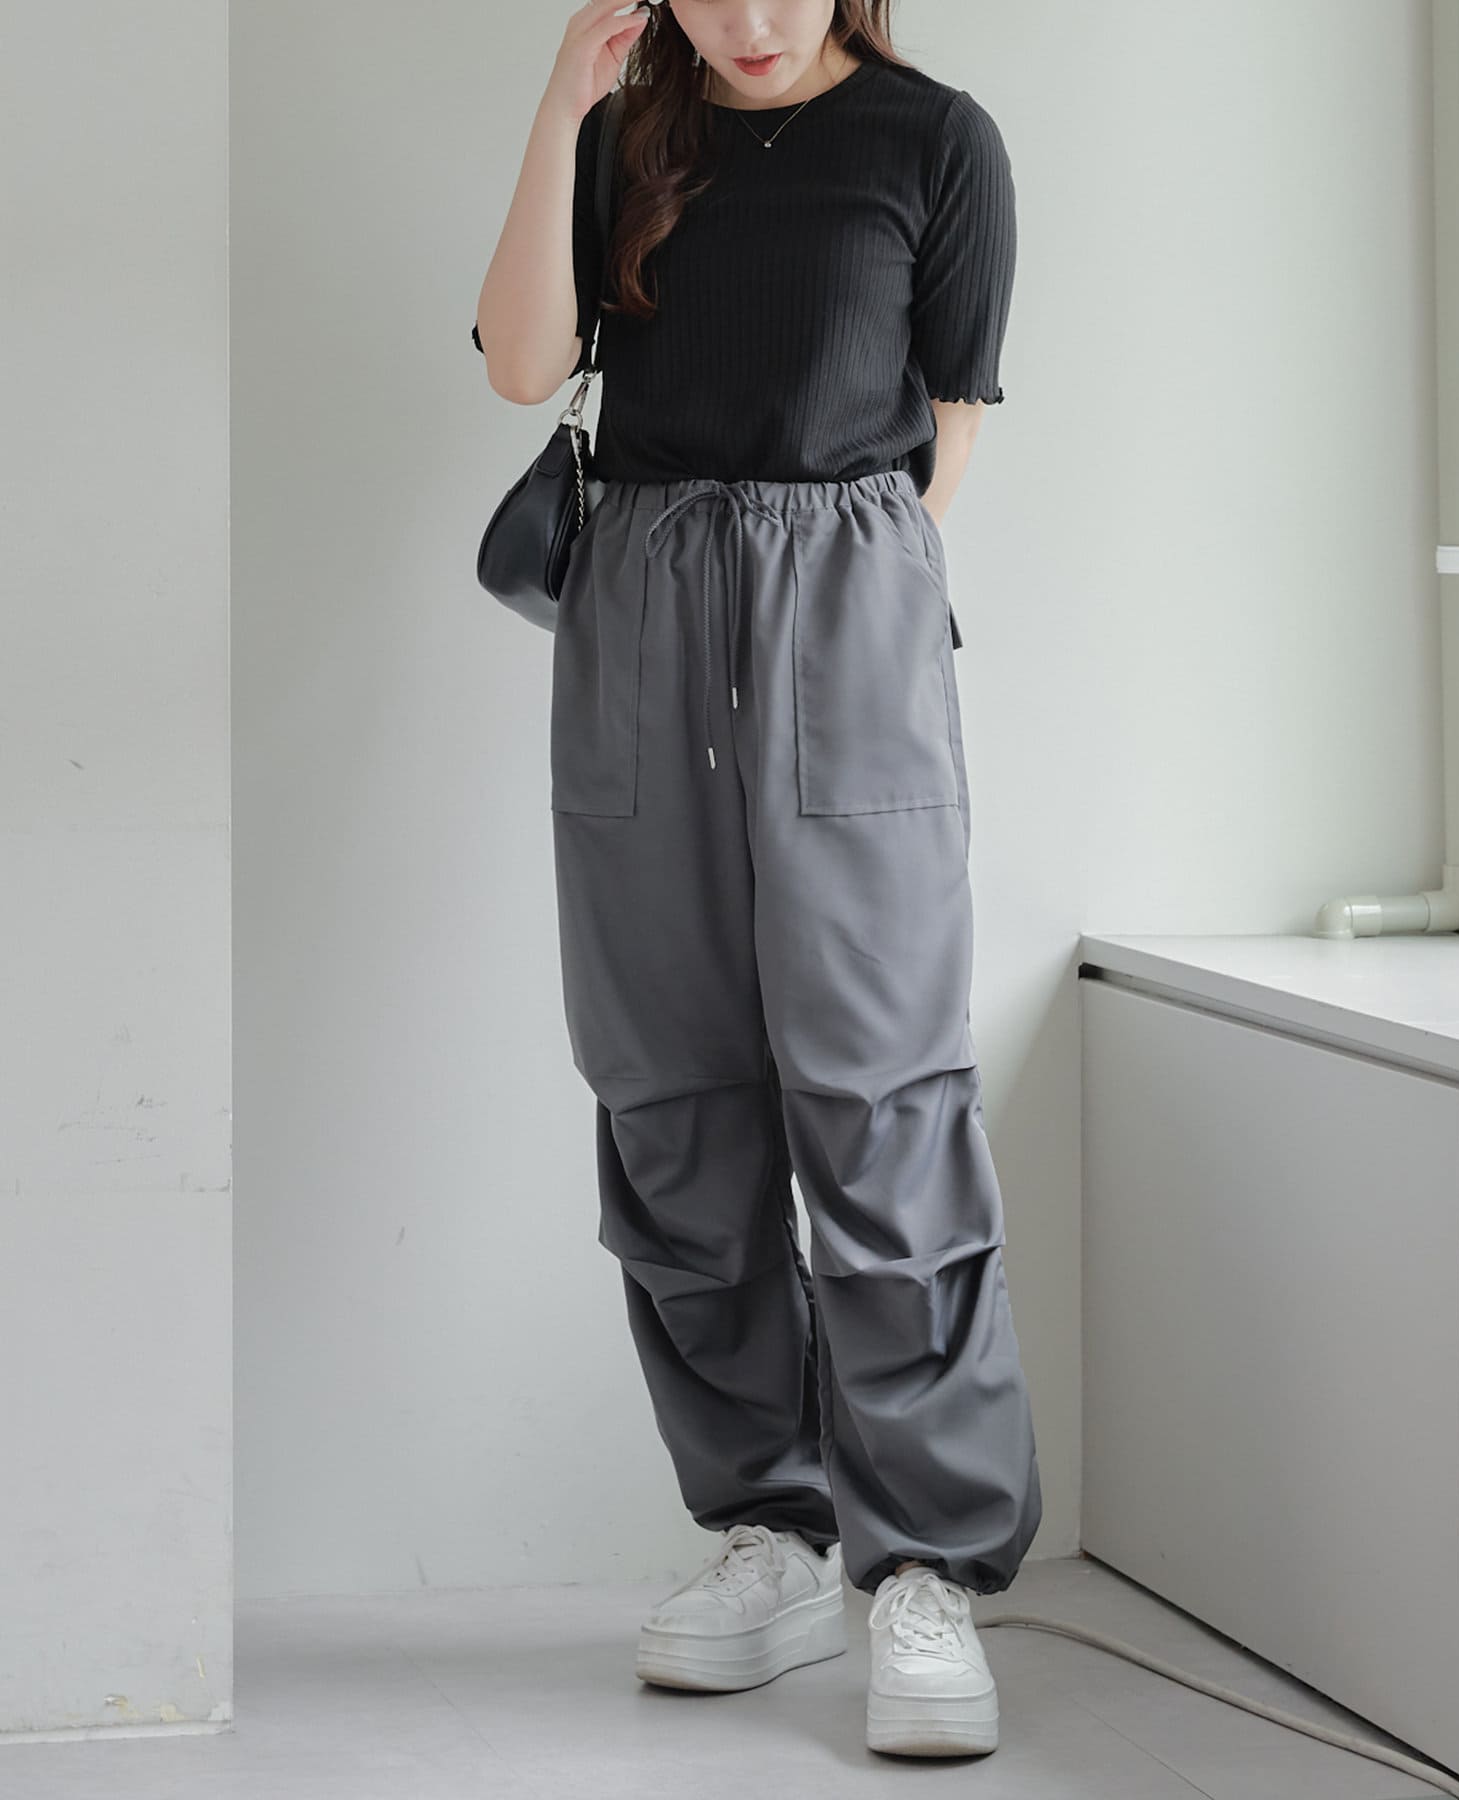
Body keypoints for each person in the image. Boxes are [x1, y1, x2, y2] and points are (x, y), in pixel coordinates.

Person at [473, 0, 1041, 1761]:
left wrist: (836, 593)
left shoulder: (936, 142)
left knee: (882, 1091)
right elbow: (520, 366)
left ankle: (923, 1564)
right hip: (640, 605)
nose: (752, 19)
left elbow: (952, 425)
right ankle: (770, 1534)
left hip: (847, 597)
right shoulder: (628, 134)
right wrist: (561, 106)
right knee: (670, 1089)